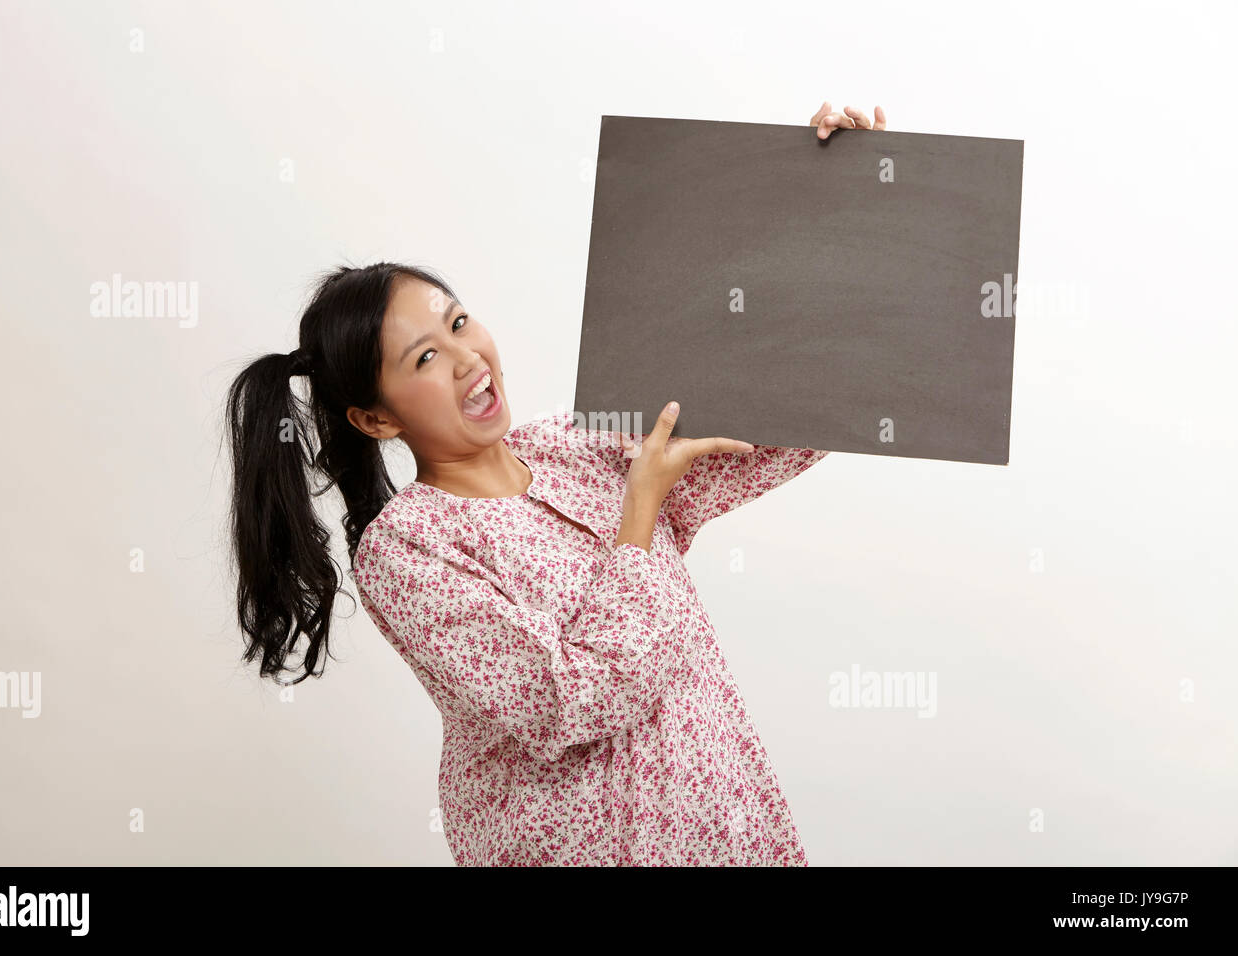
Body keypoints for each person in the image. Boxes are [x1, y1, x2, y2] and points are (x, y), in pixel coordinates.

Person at [224, 101, 884, 865]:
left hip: (730, 838)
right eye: (425, 359)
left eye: (460, 323)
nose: (468, 358)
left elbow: (778, 424)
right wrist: (640, 513)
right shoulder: (408, 551)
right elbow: (571, 700)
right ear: (375, 420)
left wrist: (845, 203)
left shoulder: (577, 444)